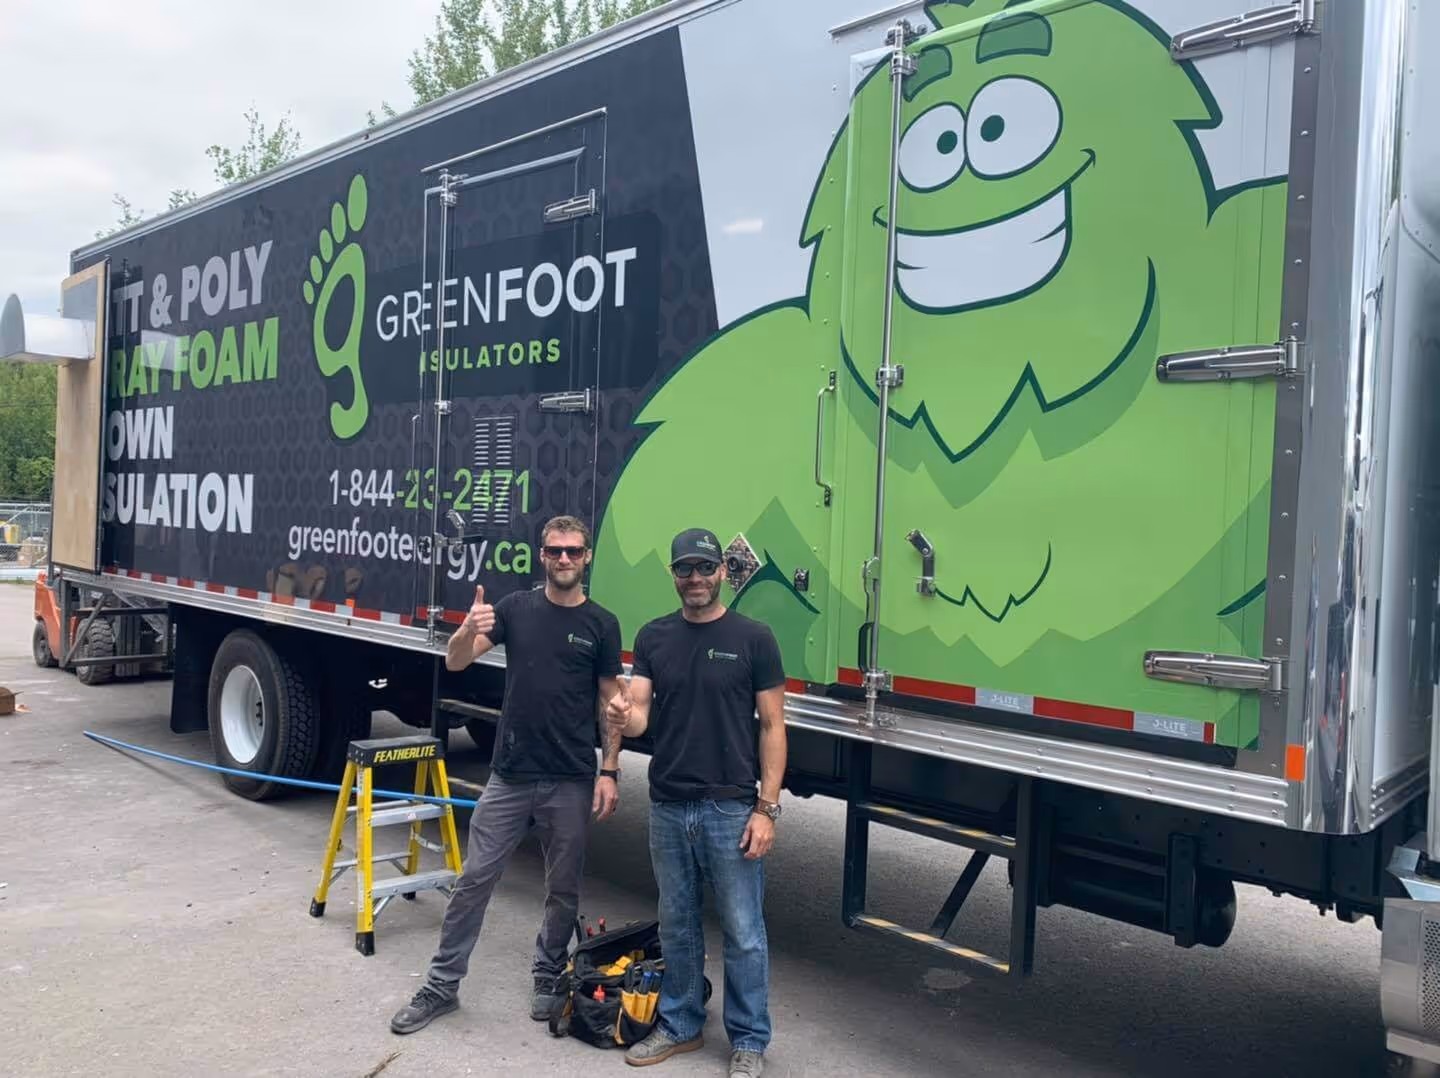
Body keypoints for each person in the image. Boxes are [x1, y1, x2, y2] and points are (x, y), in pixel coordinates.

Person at [389, 514, 625, 1035]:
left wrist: (610, 768)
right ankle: (441, 984)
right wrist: (464, 631)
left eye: (573, 551)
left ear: (587, 558)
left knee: (563, 889)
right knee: (475, 880)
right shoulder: (517, 609)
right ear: (541, 555)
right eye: (554, 551)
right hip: (511, 773)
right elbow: (455, 663)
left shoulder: (602, 624)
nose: (563, 559)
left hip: (570, 775)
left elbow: (611, 700)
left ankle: (547, 972)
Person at [605, 527, 787, 1078]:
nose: (695, 579)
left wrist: (766, 808)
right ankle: (680, 1024)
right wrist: (620, 717)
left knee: (743, 931)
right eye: (685, 569)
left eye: (705, 568)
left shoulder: (755, 638)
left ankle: (749, 1039)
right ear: (673, 575)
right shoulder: (654, 637)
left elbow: (774, 727)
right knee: (676, 924)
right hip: (668, 804)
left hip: (730, 807)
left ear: (723, 573)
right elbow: (638, 714)